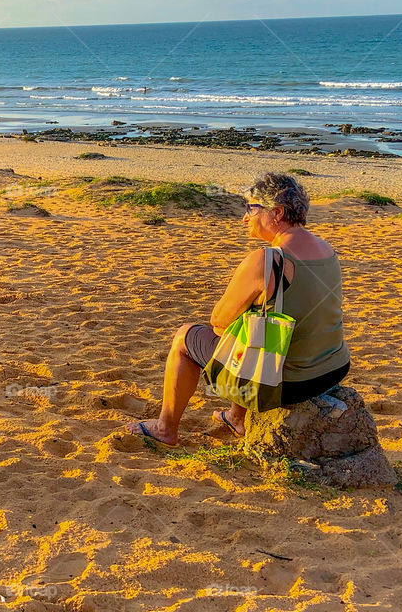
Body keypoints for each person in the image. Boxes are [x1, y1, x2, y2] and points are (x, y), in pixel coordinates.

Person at [127, 172, 350, 445]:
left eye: (251, 208)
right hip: (332, 369)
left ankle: (165, 428)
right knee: (260, 324)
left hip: (290, 383)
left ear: (277, 213)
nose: (245, 217)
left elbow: (218, 321)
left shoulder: (267, 260)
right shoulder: (327, 249)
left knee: (185, 337)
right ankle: (236, 417)